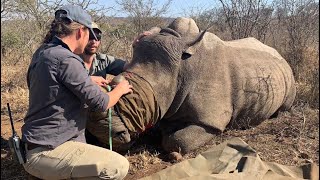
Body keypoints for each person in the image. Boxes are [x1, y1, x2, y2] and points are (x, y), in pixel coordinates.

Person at [21, 4, 133, 180]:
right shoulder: (67, 59)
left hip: (35, 145)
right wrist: (120, 89)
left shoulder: (44, 52)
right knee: (117, 166)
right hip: (50, 150)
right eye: (90, 33)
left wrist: (87, 80)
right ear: (81, 31)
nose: (91, 39)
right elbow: (101, 103)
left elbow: (52, 83)